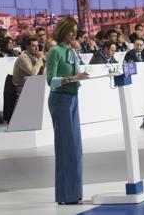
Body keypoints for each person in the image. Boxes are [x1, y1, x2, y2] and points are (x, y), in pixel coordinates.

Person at [44, 16, 89, 205]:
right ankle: (65, 195)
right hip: (60, 100)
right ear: (63, 30)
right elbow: (50, 81)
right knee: (66, 148)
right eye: (71, 31)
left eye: (76, 31)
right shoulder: (55, 51)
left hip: (72, 99)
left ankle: (74, 193)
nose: (74, 34)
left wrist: (79, 77)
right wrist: (73, 78)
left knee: (76, 148)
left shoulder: (71, 50)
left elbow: (75, 74)